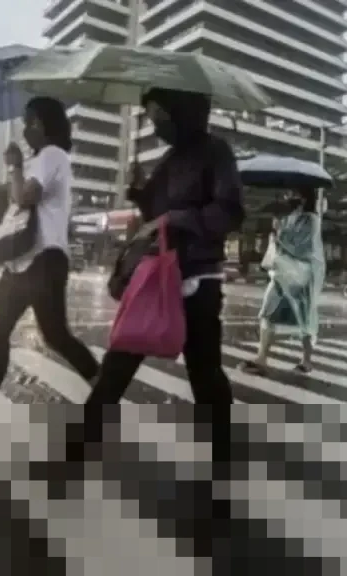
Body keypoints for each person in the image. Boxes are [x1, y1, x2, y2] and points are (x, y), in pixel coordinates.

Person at [87, 87, 244, 403]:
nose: (155, 125)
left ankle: (221, 436)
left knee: (205, 372)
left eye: (159, 116)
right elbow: (155, 217)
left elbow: (230, 212)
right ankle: (85, 432)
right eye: (150, 117)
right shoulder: (169, 159)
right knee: (119, 359)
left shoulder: (216, 151)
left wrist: (178, 218)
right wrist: (140, 192)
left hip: (197, 278)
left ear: (180, 112)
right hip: (157, 273)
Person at [0, 97, 101, 404]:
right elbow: (17, 199)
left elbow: (26, 197)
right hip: (21, 259)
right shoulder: (40, 160)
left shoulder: (52, 154)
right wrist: (17, 168)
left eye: (31, 122)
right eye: (24, 122)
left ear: (45, 124)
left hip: (43, 258)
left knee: (56, 335)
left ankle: (106, 395)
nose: (26, 128)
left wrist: (15, 166)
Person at [239, 187, 325, 375]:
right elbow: (279, 246)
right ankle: (261, 358)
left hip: (301, 276)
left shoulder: (311, 220)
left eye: (293, 193)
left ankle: (306, 360)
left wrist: (279, 237)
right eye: (287, 193)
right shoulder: (285, 217)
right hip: (281, 271)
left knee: (304, 318)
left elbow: (302, 249)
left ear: (304, 197)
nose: (288, 196)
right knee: (267, 312)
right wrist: (276, 234)